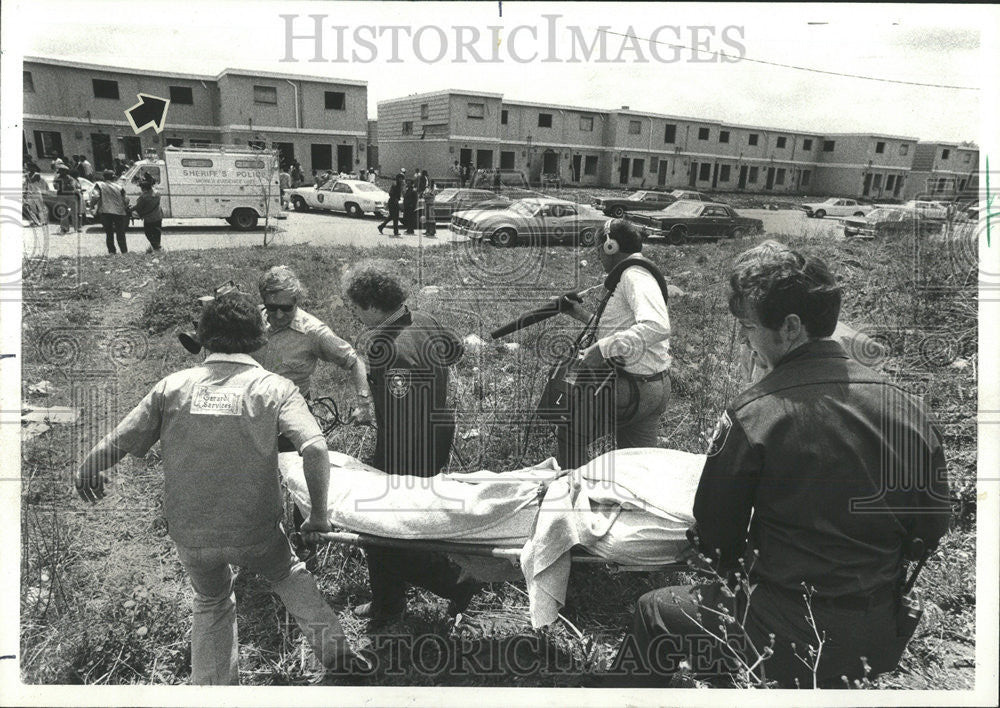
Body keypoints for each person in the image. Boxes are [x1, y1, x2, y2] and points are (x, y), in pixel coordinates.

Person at [607, 244, 951, 688]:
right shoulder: (910, 409)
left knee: (656, 610)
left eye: (749, 328)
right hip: (875, 634)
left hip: (784, 632)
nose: (748, 342)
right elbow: (931, 528)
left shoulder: (756, 413)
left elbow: (716, 539)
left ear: (790, 328)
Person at [74, 292, 361, 684]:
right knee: (289, 575)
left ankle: (213, 689)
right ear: (260, 338)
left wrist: (87, 469)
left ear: (203, 337)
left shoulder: (172, 387)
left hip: (191, 531)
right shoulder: (275, 388)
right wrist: (319, 515)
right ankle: (338, 655)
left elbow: (119, 441)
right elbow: (315, 448)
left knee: (210, 600)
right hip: (255, 528)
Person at [342, 263, 480, 625]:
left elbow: (403, 411)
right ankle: (390, 601)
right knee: (398, 523)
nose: (354, 315)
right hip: (437, 431)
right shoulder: (424, 318)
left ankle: (455, 583)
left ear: (372, 305)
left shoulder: (388, 349)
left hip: (407, 443)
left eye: (354, 307)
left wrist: (389, 469)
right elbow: (456, 351)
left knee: (380, 526)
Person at [561, 218, 672, 455]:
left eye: (599, 248)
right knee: (636, 464)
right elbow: (619, 328)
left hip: (631, 386)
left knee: (570, 436)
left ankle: (572, 489)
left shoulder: (635, 276)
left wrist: (602, 349)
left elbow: (657, 326)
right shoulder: (631, 275)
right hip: (651, 386)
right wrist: (580, 314)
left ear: (610, 246)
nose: (598, 255)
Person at [89, 169, 130, 254]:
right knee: (121, 233)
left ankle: (112, 252)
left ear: (104, 177)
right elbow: (126, 200)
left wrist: (92, 206)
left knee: (109, 233)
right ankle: (124, 251)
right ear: (114, 177)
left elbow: (96, 196)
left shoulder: (99, 185)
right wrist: (124, 206)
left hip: (105, 212)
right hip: (119, 213)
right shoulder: (119, 187)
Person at [131, 174, 163, 251]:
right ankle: (157, 246)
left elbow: (138, 207)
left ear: (144, 188)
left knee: (148, 233)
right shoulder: (157, 193)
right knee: (157, 232)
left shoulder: (144, 197)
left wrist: (130, 209)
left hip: (149, 218)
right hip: (158, 216)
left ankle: (156, 247)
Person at [52, 160, 82, 234]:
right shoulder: (57, 179)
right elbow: (56, 187)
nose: (61, 173)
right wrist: (65, 185)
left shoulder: (70, 178)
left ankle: (77, 227)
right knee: (63, 212)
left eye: (62, 171)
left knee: (74, 212)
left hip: (71, 196)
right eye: (60, 171)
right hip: (62, 196)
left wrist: (64, 186)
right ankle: (64, 228)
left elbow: (72, 187)